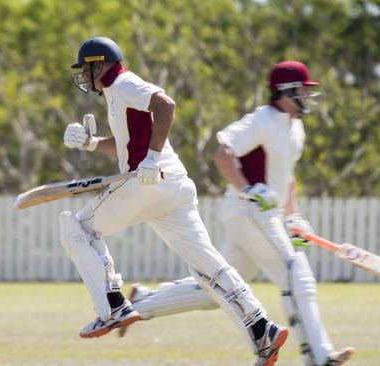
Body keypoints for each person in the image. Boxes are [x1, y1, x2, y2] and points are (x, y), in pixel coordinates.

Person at [61, 36, 288, 365]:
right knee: (208, 267)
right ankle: (260, 327)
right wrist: (92, 143)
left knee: (76, 226)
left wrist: (151, 159)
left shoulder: (123, 82)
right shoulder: (116, 92)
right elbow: (126, 144)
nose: (84, 75)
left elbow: (165, 105)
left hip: (148, 182)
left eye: (86, 67)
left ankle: (112, 305)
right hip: (173, 186)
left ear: (100, 63)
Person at [119, 61, 355, 366]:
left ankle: (142, 303)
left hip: (264, 215)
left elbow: (287, 176)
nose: (306, 97)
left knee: (217, 290)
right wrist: (248, 189)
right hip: (249, 211)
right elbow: (223, 154)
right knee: (297, 275)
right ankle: (319, 356)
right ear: (284, 92)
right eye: (301, 90)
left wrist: (293, 216)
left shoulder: (295, 129)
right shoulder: (263, 119)